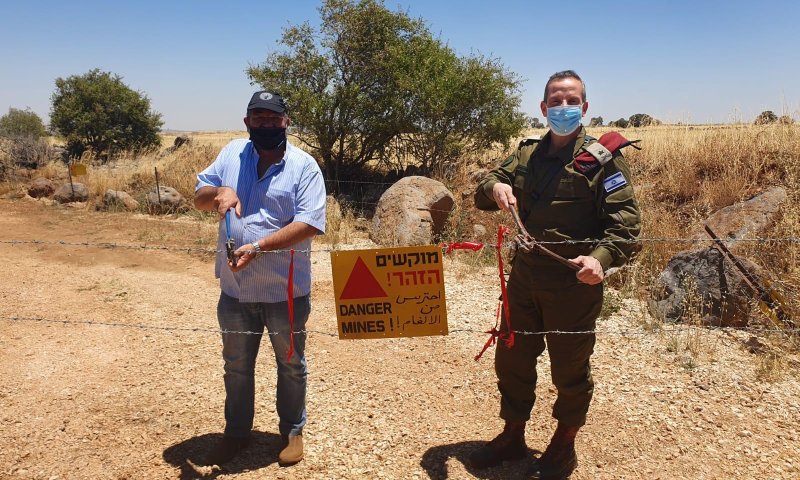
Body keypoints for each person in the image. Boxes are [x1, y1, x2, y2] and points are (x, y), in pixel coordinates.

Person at [470, 71, 641, 479]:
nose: (563, 107)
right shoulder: (528, 154)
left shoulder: (603, 159)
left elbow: (627, 230)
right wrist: (495, 188)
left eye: (572, 101)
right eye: (555, 101)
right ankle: (513, 433)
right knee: (512, 359)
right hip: (525, 279)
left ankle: (564, 444)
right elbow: (485, 188)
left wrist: (600, 260)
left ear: (583, 109)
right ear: (544, 108)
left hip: (572, 285)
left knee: (570, 369)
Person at [194, 91, 326, 467]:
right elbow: (199, 197)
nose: (266, 124)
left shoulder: (304, 166)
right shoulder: (231, 153)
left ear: (286, 122)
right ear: (247, 121)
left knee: (291, 364)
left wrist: (260, 246)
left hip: (285, 291)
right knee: (235, 365)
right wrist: (220, 190)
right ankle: (236, 433)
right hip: (234, 291)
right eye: (259, 118)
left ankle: (292, 432)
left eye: (274, 118)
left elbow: (310, 223)